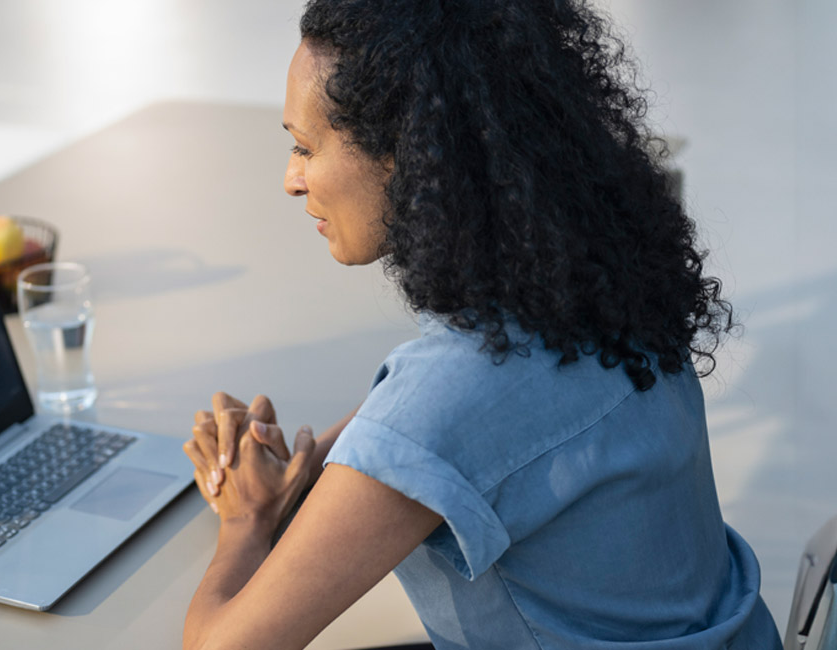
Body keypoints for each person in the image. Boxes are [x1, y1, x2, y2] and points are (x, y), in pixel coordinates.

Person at [180, 1, 781, 648]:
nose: (291, 180)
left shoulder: (456, 390)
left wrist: (245, 521)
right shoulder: (604, 287)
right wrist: (302, 474)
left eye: (305, 147)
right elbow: (410, 441)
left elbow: (222, 645)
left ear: (409, 154)